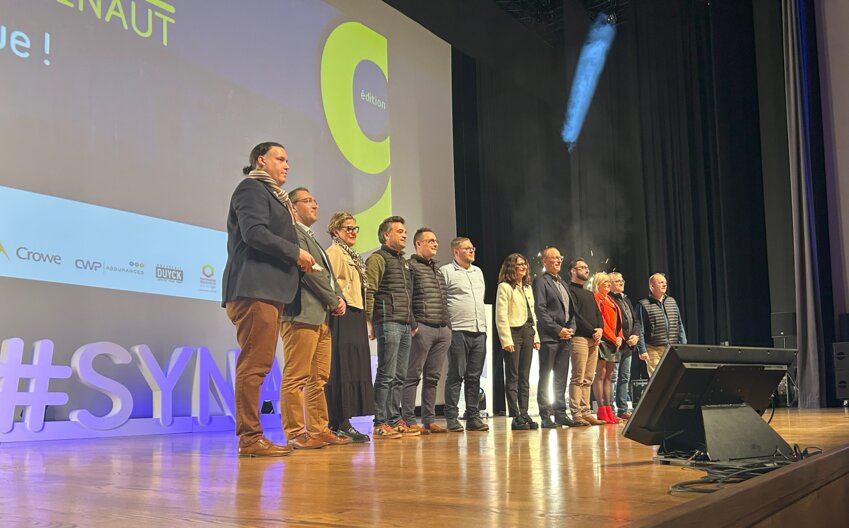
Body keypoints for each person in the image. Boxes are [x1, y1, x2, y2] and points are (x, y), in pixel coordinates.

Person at [222, 141, 317, 457]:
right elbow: (254, 233)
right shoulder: (251, 188)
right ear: (261, 161)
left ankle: (252, 435)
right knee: (255, 364)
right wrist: (296, 253)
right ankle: (250, 438)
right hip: (254, 289)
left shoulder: (275, 196)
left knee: (259, 364)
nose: (287, 164)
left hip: (269, 291)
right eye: (280, 158)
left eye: (288, 160)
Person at [279, 188, 351, 449]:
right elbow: (310, 272)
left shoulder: (311, 237)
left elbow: (328, 276)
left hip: (320, 316)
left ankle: (319, 430)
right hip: (301, 313)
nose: (315, 205)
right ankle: (295, 433)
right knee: (296, 376)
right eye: (308, 200)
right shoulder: (290, 232)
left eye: (315, 200)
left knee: (318, 378)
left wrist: (339, 297)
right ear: (292, 207)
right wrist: (333, 299)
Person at [324, 211, 375, 443]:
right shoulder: (334, 252)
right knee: (342, 366)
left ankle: (345, 421)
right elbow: (329, 283)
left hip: (356, 312)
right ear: (336, 230)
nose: (353, 232)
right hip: (342, 313)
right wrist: (338, 303)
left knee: (354, 366)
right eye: (348, 228)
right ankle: (339, 422)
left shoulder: (351, 253)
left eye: (355, 228)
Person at [365, 216, 417, 439]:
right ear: (386, 235)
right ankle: (380, 422)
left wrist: (412, 322)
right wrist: (369, 320)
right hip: (387, 321)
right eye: (399, 231)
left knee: (400, 375)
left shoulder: (404, 262)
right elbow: (370, 290)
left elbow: (408, 295)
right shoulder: (377, 258)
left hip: (404, 324)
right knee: (386, 374)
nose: (404, 235)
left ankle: (395, 419)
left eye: (405, 231)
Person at [401, 228, 452, 435]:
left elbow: (444, 300)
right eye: (430, 241)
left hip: (442, 329)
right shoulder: (411, 267)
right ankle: (408, 420)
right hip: (422, 328)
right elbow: (407, 297)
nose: (435, 244)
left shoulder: (437, 271)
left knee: (433, 377)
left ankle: (429, 420)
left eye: (436, 240)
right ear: (418, 244)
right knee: (413, 375)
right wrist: (414, 325)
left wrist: (448, 326)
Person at [440, 237, 489, 432]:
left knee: (474, 377)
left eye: (472, 248)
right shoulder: (446, 271)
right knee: (456, 374)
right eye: (467, 248)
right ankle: (452, 417)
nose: (471, 251)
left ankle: (473, 416)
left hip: (479, 330)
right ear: (456, 252)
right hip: (458, 330)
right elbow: (442, 301)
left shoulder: (478, 272)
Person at [532, 247, 582, 428]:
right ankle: (545, 414)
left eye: (559, 257)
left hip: (565, 337)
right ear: (545, 261)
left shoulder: (563, 283)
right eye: (554, 258)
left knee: (561, 377)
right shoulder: (541, 282)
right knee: (546, 376)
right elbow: (540, 310)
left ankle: (560, 413)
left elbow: (571, 312)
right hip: (549, 337)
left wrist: (571, 329)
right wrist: (558, 329)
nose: (558, 260)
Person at [496, 253, 541, 430]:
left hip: (528, 331)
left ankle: (524, 412)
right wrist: (506, 339)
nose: (523, 267)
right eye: (519, 264)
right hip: (513, 332)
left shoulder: (527, 287)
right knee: (513, 375)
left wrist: (535, 337)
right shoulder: (505, 287)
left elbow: (532, 314)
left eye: (524, 264)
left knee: (525, 376)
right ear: (511, 267)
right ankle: (515, 415)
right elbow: (501, 316)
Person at [566, 258, 606, 426]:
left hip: (593, 339)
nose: (586, 270)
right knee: (578, 376)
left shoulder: (589, 294)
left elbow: (598, 314)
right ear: (573, 271)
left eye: (587, 267)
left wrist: (600, 329)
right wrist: (592, 331)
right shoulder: (569, 290)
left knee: (589, 378)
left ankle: (586, 411)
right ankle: (576, 413)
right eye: (582, 267)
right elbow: (576, 315)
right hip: (579, 338)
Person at [636, 273, 687, 376]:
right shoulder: (643, 304)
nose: (664, 285)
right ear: (652, 286)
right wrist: (642, 349)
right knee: (658, 378)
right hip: (653, 348)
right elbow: (639, 329)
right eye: (660, 282)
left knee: (673, 376)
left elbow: (679, 324)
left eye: (665, 283)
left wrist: (683, 344)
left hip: (672, 348)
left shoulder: (671, 301)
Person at [591, 272, 625, 425]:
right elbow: (601, 321)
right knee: (601, 374)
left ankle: (609, 409)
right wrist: (613, 338)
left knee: (609, 376)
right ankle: (601, 409)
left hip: (613, 341)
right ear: (598, 284)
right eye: (605, 282)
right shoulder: (597, 298)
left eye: (608, 282)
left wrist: (620, 336)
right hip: (604, 340)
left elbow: (619, 321)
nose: (608, 284)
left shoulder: (610, 299)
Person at [609, 272, 640, 419]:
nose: (621, 283)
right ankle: (610, 410)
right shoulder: (609, 299)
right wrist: (619, 337)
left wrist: (635, 335)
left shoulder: (626, 299)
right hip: (615, 345)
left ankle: (622, 409)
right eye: (617, 281)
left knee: (624, 377)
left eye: (622, 280)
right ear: (610, 284)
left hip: (628, 346)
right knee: (613, 377)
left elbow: (635, 321)